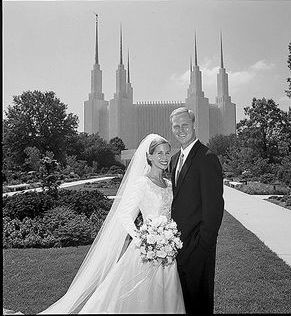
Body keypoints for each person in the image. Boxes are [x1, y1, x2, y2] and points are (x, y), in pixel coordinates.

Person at [3, 134, 185, 314]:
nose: (164, 157)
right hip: (144, 250)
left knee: (166, 295)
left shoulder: (169, 185)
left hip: (167, 250)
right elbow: (124, 214)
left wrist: (169, 237)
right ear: (149, 156)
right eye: (159, 153)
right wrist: (142, 239)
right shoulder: (141, 184)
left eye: (167, 153)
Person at [169, 107, 224, 314]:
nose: (181, 130)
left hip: (198, 247)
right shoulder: (174, 160)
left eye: (185, 125)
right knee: (183, 304)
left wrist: (203, 245)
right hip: (177, 247)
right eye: (176, 126)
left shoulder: (207, 157)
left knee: (199, 305)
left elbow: (214, 208)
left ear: (193, 125)